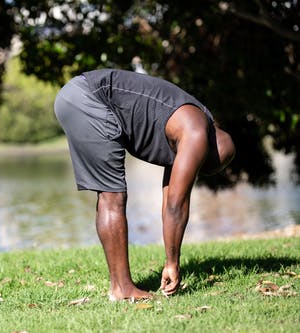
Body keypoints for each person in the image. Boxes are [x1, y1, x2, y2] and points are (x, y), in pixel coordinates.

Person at [54, 69, 235, 300]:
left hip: (76, 95)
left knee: (111, 195)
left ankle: (121, 287)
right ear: (206, 150)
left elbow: (171, 199)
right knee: (113, 196)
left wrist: (172, 260)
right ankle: (122, 289)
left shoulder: (188, 123)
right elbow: (176, 206)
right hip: (88, 97)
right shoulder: (196, 132)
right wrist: (172, 264)